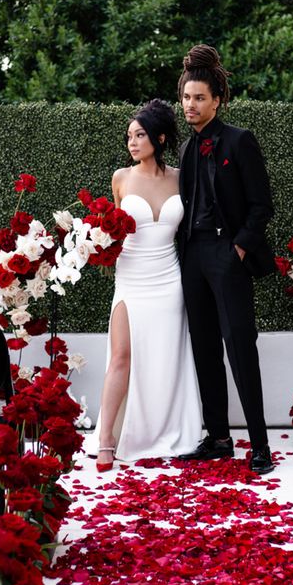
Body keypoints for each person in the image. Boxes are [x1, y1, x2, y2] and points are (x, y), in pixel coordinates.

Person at [177, 44, 275, 474]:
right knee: (203, 348)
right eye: (186, 98)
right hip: (193, 255)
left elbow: (262, 205)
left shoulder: (240, 140)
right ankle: (218, 438)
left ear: (217, 100)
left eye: (199, 98)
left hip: (226, 252)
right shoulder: (184, 149)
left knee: (239, 345)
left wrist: (238, 247)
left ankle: (260, 446)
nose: (191, 105)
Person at [93, 99, 203, 469]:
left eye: (140, 135)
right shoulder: (121, 178)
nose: (132, 143)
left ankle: (164, 430)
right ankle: (107, 438)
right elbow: (112, 229)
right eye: (129, 136)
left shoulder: (179, 177)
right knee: (121, 356)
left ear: (159, 137)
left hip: (169, 279)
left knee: (165, 359)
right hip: (132, 277)